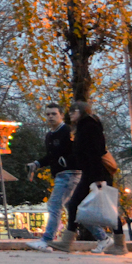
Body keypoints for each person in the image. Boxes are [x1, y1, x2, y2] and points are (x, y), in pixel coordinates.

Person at [49, 101, 127, 255]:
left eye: (73, 111)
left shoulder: (89, 127)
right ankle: (119, 244)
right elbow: (83, 153)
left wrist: (98, 178)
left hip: (96, 174)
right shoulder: (84, 127)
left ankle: (68, 242)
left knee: (78, 205)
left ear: (82, 111)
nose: (70, 114)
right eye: (69, 112)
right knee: (78, 205)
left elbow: (94, 152)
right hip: (91, 173)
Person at [24, 103, 105, 252]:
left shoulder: (67, 131)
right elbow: (51, 156)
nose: (50, 117)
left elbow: (80, 149)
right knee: (77, 210)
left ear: (61, 115)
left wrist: (69, 161)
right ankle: (103, 238)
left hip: (70, 174)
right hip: (60, 175)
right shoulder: (49, 135)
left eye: (54, 114)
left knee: (54, 205)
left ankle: (46, 240)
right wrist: (37, 164)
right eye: (48, 114)